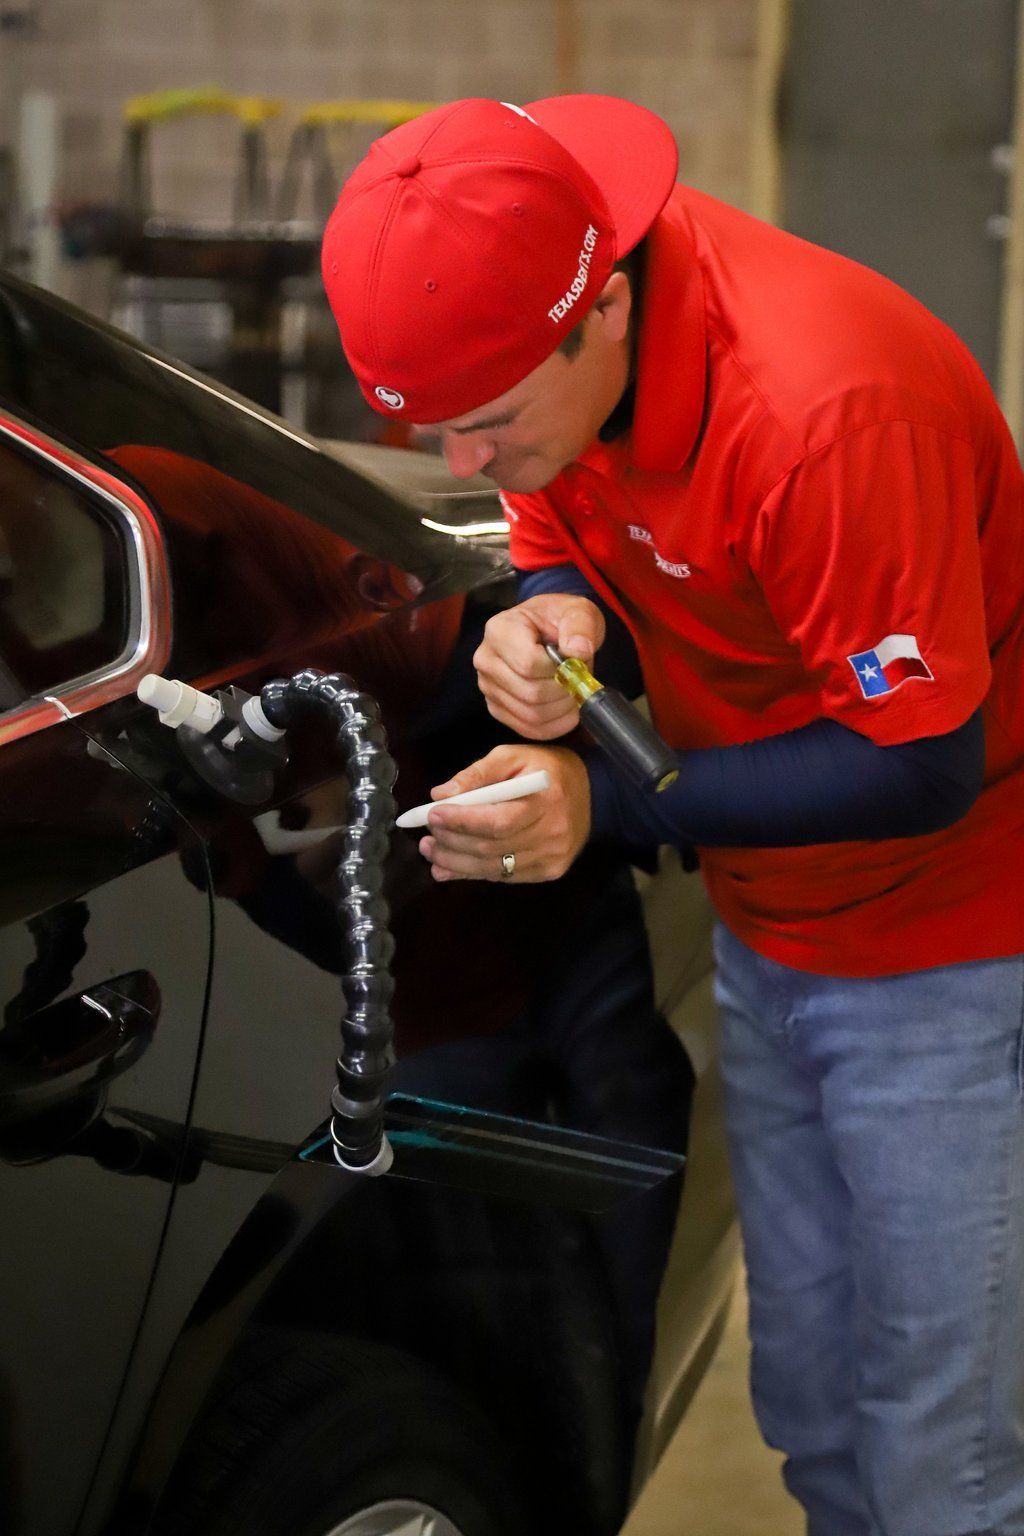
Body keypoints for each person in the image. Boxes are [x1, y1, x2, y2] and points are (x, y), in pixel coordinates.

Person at [321, 94, 1024, 1536]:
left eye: (492, 422)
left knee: (942, 1456)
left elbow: (922, 762)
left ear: (609, 313)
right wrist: (549, 608)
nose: (465, 465)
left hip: (949, 955)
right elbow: (551, 512)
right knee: (816, 1414)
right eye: (436, 430)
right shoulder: (557, 338)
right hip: (776, 931)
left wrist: (610, 802)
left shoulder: (829, 411)